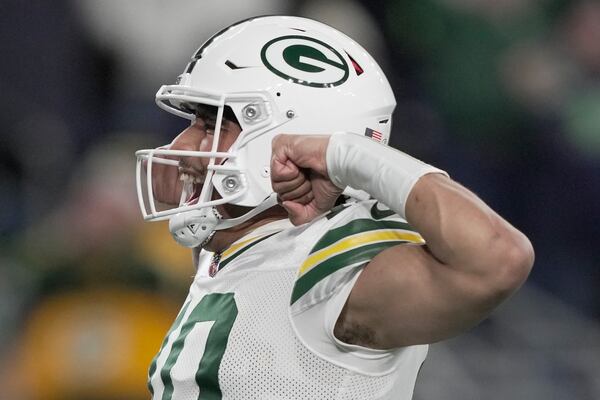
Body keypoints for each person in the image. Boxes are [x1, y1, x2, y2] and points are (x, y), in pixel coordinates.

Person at [135, 15, 534, 400]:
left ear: (284, 133)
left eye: (211, 125)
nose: (180, 146)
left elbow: (500, 259)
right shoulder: (233, 250)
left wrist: (344, 152)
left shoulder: (333, 261)